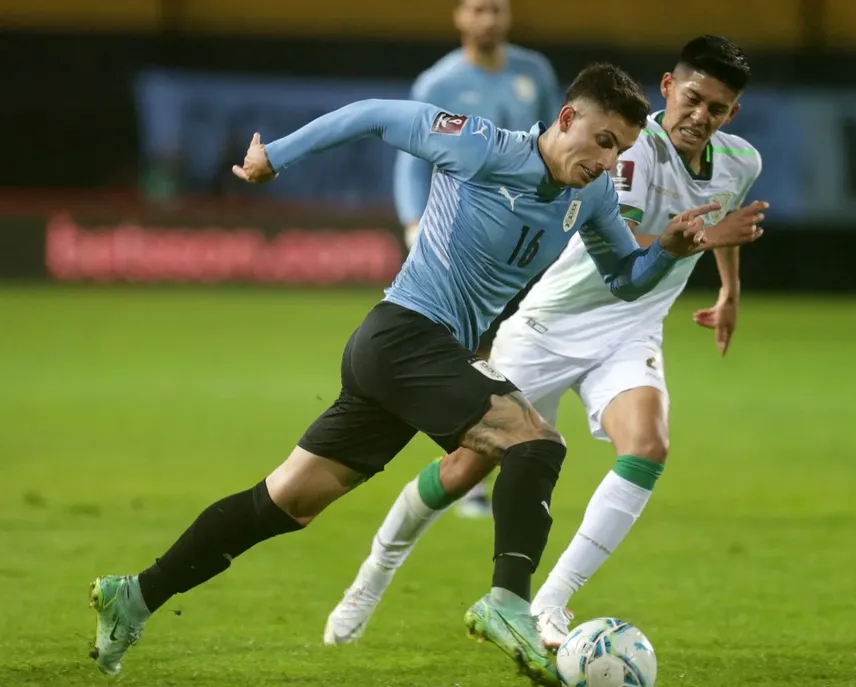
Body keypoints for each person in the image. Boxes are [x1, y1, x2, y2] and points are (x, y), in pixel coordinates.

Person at [86, 63, 762, 686]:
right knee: (535, 442)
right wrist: (274, 157)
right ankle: (507, 601)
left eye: (619, 149)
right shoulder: (482, 146)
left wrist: (676, 246)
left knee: (287, 501)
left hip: (412, 357)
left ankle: (135, 594)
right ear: (564, 121)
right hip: (404, 334)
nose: (608, 161)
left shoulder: (589, 201)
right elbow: (376, 114)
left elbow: (623, 278)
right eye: (601, 141)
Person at [323, 36, 766, 650]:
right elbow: (635, 250)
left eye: (717, 109)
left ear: (731, 116)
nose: (700, 117)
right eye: (693, 99)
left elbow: (728, 219)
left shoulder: (742, 161)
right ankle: (375, 572)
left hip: (631, 328)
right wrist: (710, 235)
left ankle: (551, 604)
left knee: (648, 447)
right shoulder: (629, 153)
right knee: (463, 470)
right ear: (668, 87)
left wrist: (729, 294)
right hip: (552, 324)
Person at [396, 0, 562, 519]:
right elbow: (410, 158)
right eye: (478, 8)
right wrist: (412, 220)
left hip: (526, 238)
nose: (489, 19)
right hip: (464, 239)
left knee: (518, 347)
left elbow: (559, 142)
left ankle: (507, 452)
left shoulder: (533, 71)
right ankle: (467, 473)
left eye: (497, 8)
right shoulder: (438, 83)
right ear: (459, 17)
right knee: (471, 352)